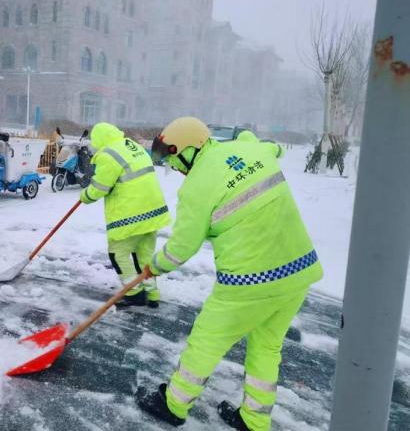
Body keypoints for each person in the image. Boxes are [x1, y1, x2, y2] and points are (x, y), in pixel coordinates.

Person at [136, 117, 322, 430]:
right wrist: (251, 141)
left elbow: (181, 248)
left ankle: (173, 405)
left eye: (174, 160)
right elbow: (273, 149)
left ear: (190, 149)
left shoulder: (196, 187)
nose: (176, 169)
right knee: (266, 346)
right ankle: (254, 419)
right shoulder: (251, 149)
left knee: (206, 340)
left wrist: (153, 267)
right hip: (297, 273)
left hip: (249, 284)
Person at [79, 122, 171, 308]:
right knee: (143, 257)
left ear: (99, 139)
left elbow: (100, 188)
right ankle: (152, 295)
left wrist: (85, 196)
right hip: (153, 211)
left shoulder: (108, 154)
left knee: (118, 253)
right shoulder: (132, 145)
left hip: (131, 215)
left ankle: (134, 293)